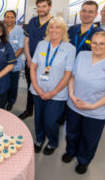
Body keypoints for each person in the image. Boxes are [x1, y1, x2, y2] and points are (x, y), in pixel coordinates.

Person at [62, 31, 105, 174]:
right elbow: (72, 77)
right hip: (74, 106)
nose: (97, 46)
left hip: (95, 112)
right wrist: (71, 94)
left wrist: (93, 106)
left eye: (102, 43)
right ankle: (70, 151)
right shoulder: (82, 56)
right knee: (71, 132)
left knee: (89, 138)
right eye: (94, 43)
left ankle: (83, 160)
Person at [30, 17, 76, 155]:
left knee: (50, 121)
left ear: (63, 30)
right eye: (51, 27)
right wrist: (37, 88)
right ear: (48, 29)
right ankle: (39, 139)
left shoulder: (70, 48)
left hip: (57, 93)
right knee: (38, 118)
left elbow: (68, 74)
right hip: (38, 90)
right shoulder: (41, 44)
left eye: (58, 27)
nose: (54, 30)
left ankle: (52, 142)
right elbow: (33, 67)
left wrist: (53, 92)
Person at [19, 0, 53, 120]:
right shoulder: (33, 21)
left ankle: (43, 113)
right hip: (31, 62)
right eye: (39, 6)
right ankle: (29, 110)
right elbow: (26, 42)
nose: (41, 9)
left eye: (44, 6)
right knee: (31, 86)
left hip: (46, 65)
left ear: (50, 7)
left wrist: (43, 63)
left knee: (44, 85)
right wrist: (29, 59)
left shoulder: (54, 23)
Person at [3, 10, 24, 111]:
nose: (9, 19)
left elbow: (21, 48)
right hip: (2, 63)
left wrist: (10, 59)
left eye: (12, 17)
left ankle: (11, 102)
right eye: (7, 17)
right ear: (4, 18)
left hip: (14, 64)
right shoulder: (1, 30)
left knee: (13, 85)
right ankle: (4, 100)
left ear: (15, 19)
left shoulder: (19, 31)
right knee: (4, 83)